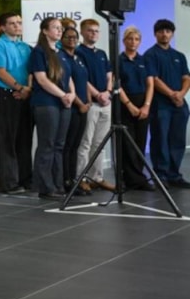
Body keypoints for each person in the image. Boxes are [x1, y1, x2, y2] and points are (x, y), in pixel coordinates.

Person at [29, 17, 75, 200]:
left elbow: (68, 77)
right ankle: (45, 187)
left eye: (60, 28)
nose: (59, 30)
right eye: (55, 27)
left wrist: (72, 94)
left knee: (59, 145)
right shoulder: (39, 51)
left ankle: (58, 184)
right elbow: (41, 79)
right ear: (45, 31)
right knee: (47, 145)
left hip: (64, 103)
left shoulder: (61, 53)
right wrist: (62, 95)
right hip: (46, 102)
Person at [0, 12, 32, 194]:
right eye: (12, 23)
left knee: (24, 139)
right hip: (5, 95)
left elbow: (31, 71)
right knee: (6, 140)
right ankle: (8, 183)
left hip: (24, 96)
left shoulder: (25, 47)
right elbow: (0, 72)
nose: (17, 26)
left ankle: (25, 179)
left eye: (19, 22)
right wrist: (19, 88)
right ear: (3, 27)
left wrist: (27, 89)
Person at [144, 19, 190, 188]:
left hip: (179, 105)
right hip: (161, 105)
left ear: (172, 34)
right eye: (161, 31)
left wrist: (181, 94)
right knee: (160, 139)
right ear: (155, 34)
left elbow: (186, 78)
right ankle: (160, 175)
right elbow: (154, 80)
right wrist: (172, 94)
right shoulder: (150, 55)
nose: (164, 34)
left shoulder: (179, 56)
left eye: (168, 31)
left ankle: (174, 175)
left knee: (177, 140)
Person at [74, 19, 115, 192]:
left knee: (100, 143)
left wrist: (108, 92)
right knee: (85, 143)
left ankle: (96, 177)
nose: (94, 34)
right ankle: (80, 178)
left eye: (96, 31)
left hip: (106, 103)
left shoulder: (102, 53)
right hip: (91, 103)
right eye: (90, 30)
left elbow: (109, 75)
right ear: (82, 32)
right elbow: (82, 78)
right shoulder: (78, 52)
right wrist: (98, 94)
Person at [117, 26, 155, 191]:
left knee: (140, 142)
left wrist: (146, 105)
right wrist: (129, 105)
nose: (133, 42)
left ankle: (137, 176)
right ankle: (133, 179)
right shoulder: (118, 60)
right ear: (124, 41)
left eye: (136, 39)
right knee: (128, 144)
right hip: (125, 103)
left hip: (143, 103)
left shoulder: (144, 60)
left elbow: (150, 84)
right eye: (130, 39)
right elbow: (116, 84)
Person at [59, 26, 92, 195]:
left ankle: (74, 180)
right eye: (68, 37)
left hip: (83, 107)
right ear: (61, 39)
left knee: (76, 146)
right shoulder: (61, 57)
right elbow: (67, 84)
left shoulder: (78, 57)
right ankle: (65, 180)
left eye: (74, 37)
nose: (72, 39)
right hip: (71, 107)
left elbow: (84, 80)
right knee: (68, 145)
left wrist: (89, 100)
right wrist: (80, 104)